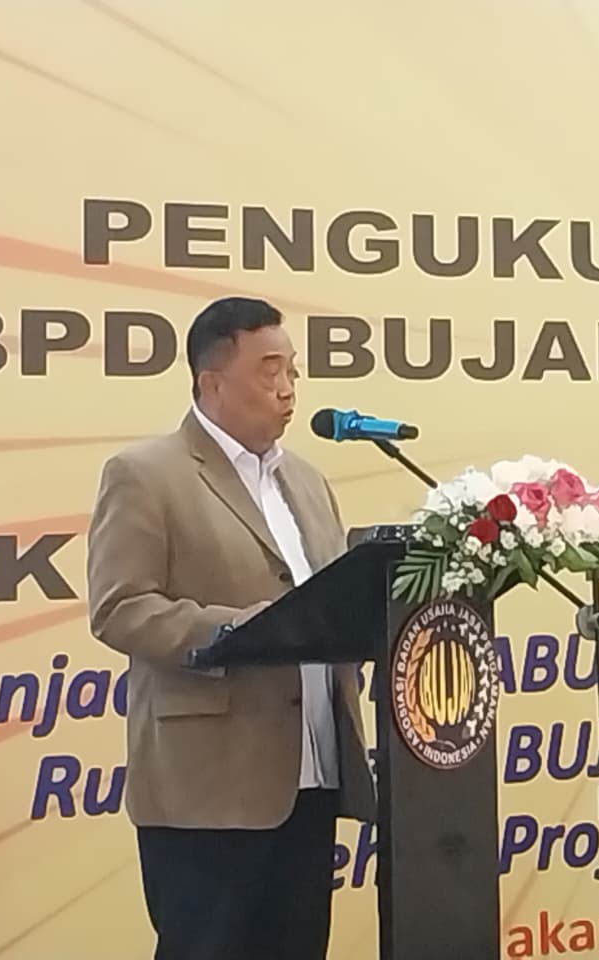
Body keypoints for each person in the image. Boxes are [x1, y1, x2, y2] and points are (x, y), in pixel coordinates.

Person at [85, 296, 374, 960]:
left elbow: (329, 606)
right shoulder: (146, 475)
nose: (288, 388)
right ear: (211, 382)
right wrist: (238, 631)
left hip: (308, 778)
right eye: (270, 371)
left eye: (293, 371)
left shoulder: (306, 480)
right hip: (207, 791)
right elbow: (119, 605)